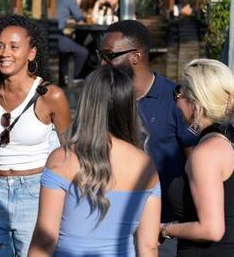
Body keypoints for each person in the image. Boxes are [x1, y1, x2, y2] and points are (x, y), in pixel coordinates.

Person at [0, 15, 71, 256]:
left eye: (13, 47)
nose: (4, 53)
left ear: (31, 53)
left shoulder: (50, 96)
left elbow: (70, 152)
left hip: (36, 194)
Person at [29, 66, 161, 257]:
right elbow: (149, 246)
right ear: (128, 107)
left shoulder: (62, 159)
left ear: (87, 105)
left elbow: (45, 238)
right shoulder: (146, 166)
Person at [99, 20, 198, 257]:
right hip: (112, 223)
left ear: (136, 56)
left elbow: (195, 167)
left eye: (109, 55)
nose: (102, 63)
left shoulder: (175, 100)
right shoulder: (101, 99)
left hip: (162, 229)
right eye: (99, 55)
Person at [164, 59, 234, 256]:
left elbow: (211, 230)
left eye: (178, 93)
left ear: (197, 102)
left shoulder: (206, 153)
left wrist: (164, 229)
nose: (176, 101)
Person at [56, 0, 89, 81]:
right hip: (57, 37)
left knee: (71, 44)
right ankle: (71, 77)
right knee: (83, 52)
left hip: (50, 36)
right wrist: (78, 2)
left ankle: (65, 75)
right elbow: (79, 19)